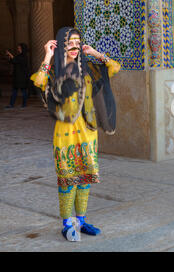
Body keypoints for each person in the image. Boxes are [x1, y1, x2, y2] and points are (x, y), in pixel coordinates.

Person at [30, 27, 121, 241]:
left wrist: (96, 54)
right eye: (70, 43)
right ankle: (66, 224)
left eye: (78, 43)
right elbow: (39, 81)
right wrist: (48, 55)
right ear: (62, 45)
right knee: (67, 180)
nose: (74, 47)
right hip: (65, 135)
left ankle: (80, 221)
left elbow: (114, 67)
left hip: (88, 132)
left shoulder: (88, 68)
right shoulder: (55, 70)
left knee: (85, 178)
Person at [5, 43, 29, 109]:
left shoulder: (24, 56)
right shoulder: (19, 55)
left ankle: (23, 104)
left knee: (23, 91)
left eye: (19, 48)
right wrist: (9, 56)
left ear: (22, 48)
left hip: (22, 77)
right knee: (14, 91)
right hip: (17, 76)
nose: (18, 49)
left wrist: (10, 54)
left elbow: (16, 60)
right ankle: (11, 104)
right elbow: (13, 61)